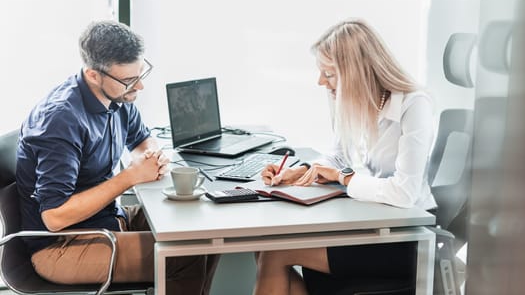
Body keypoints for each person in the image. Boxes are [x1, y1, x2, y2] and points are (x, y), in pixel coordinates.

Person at [16, 20, 219, 294]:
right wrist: (131, 176)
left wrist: (152, 157)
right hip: (60, 245)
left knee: (204, 234)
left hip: (107, 219)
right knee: (182, 253)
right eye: (128, 80)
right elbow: (55, 217)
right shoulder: (61, 120)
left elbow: (142, 140)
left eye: (140, 75)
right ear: (92, 75)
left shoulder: (117, 98)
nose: (139, 87)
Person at [253, 19, 437, 295]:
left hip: (403, 240)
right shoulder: (356, 102)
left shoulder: (413, 105)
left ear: (355, 72)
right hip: (371, 226)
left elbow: (405, 192)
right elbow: (336, 158)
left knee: (274, 254)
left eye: (328, 74)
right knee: (265, 249)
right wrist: (304, 171)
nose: (320, 81)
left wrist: (344, 178)